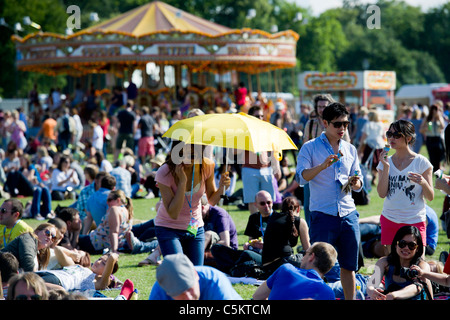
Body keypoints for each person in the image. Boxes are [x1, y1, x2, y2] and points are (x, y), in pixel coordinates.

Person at [296, 102, 364, 300]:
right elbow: (301, 178)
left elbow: (358, 184)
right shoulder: (310, 148)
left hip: (348, 214)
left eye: (345, 124)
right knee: (316, 268)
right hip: (323, 214)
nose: (342, 128)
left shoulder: (350, 149)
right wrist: (323, 166)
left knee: (349, 267)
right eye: (337, 124)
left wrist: (356, 182)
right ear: (325, 123)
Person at [153, 140, 230, 265]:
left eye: (192, 155)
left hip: (195, 227)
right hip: (168, 228)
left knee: (196, 273)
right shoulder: (165, 172)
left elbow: (211, 201)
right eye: (181, 154)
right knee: (179, 270)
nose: (186, 159)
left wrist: (221, 187)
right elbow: (173, 213)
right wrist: (182, 182)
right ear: (174, 153)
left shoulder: (206, 166)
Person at [377, 120, 434, 255]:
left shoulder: (421, 162)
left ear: (408, 138)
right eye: (389, 134)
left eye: (396, 135)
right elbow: (381, 193)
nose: (391, 138)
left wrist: (423, 183)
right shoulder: (386, 162)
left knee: (418, 263)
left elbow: (430, 197)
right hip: (389, 218)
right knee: (392, 265)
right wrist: (385, 168)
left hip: (414, 219)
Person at [211, 190, 274, 275]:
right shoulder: (254, 218)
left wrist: (266, 245)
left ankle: (233, 268)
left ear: (272, 202)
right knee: (217, 248)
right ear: (256, 205)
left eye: (269, 202)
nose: (266, 206)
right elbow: (251, 241)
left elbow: (283, 246)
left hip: (269, 257)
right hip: (255, 252)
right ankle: (235, 268)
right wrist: (248, 244)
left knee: (246, 254)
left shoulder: (278, 218)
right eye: (262, 203)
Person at [366, 226, 433, 300]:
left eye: (412, 245)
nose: (406, 248)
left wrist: (394, 295)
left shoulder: (422, 266)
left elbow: (416, 287)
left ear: (417, 248)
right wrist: (371, 290)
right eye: (402, 243)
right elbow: (372, 283)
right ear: (395, 244)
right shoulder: (384, 262)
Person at [252, 242, 337, 300]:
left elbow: (257, 297)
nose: (302, 257)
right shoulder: (328, 293)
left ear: (311, 257)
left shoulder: (286, 269)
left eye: (305, 253)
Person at [149, 253, 242, 300]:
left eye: (189, 288)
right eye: (181, 293)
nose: (189, 297)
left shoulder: (214, 282)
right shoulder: (160, 292)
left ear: (196, 275)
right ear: (168, 292)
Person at [241, 106, 281, 215]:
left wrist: (276, 166)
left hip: (266, 169)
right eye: (257, 116)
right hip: (249, 169)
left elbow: (273, 150)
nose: (260, 118)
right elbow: (235, 152)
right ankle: (255, 227)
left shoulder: (267, 130)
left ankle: (268, 226)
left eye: (262, 116)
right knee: (252, 200)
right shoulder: (244, 131)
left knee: (268, 200)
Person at [261, 196, 310, 275]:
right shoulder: (300, 221)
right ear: (298, 209)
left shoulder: (273, 217)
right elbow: (308, 249)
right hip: (284, 264)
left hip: (267, 267)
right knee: (312, 257)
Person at [78, 190, 133, 254]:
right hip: (100, 244)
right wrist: (131, 248)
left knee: (71, 237)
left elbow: (114, 232)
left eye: (109, 200)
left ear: (118, 200)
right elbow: (127, 232)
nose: (107, 202)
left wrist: (114, 251)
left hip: (93, 242)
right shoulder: (126, 211)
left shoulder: (114, 209)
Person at [35, 252, 121, 292]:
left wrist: (115, 255)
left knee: (27, 284)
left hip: (60, 281)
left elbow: (112, 258)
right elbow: (58, 249)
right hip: (49, 273)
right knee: (24, 278)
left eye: (103, 263)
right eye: (99, 259)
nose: (98, 262)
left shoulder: (99, 282)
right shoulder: (83, 268)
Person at [201, 196, 238, 264]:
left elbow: (225, 242)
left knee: (208, 234)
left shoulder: (219, 214)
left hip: (228, 250)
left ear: (202, 207)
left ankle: (196, 257)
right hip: (208, 248)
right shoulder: (199, 216)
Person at [357, 110, 386, 185]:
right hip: (379, 145)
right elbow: (383, 136)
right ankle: (375, 175)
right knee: (378, 162)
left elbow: (364, 136)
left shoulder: (368, 124)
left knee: (366, 161)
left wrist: (360, 147)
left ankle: (368, 176)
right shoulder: (381, 124)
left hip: (370, 145)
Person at [419, 104, 445, 171]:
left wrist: (439, 118)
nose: (435, 112)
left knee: (439, 156)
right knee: (432, 157)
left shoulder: (439, 118)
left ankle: (438, 170)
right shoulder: (427, 118)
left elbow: (442, 127)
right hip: (430, 139)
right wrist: (425, 128)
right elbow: (421, 130)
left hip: (437, 138)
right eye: (433, 110)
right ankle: (434, 171)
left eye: (436, 110)